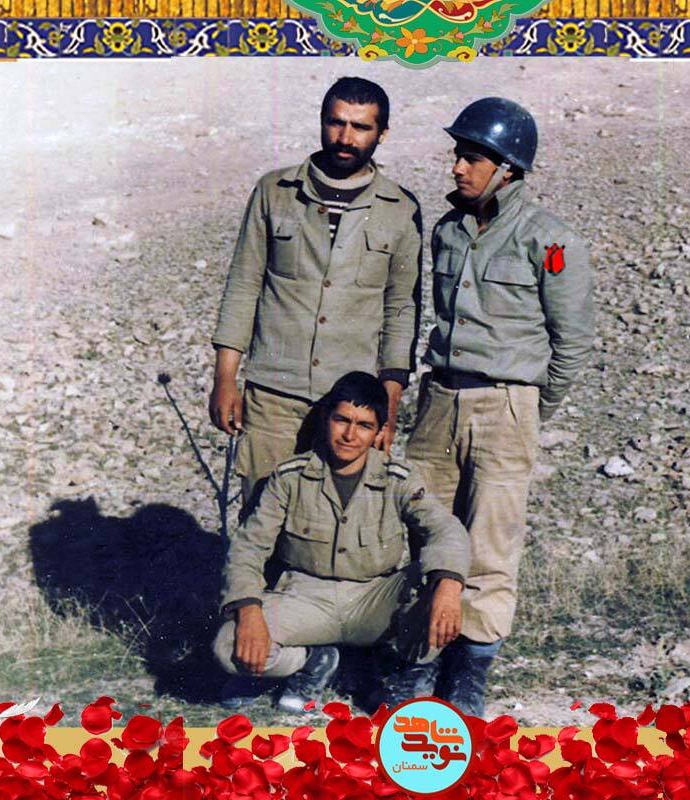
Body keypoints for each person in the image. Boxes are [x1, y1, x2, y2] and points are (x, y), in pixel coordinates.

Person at [399, 97, 595, 716]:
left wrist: (529, 410)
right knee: (421, 527)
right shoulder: (447, 230)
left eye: (473, 158)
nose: (457, 167)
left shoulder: (549, 238)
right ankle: (417, 659)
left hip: (506, 403)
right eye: (457, 154)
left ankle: (469, 674)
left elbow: (572, 344)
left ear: (507, 168)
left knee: (490, 543)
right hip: (439, 398)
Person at [209, 77, 423, 512]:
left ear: (382, 133)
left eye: (361, 127)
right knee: (262, 517)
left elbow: (401, 310)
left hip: (350, 408)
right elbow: (244, 284)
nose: (346, 137)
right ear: (322, 121)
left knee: (336, 524)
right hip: (273, 396)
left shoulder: (401, 209)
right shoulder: (274, 192)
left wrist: (388, 405)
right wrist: (225, 378)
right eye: (336, 123)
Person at [212, 371, 469, 712]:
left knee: (438, 588)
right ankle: (311, 660)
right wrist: (249, 611)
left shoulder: (397, 478)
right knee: (227, 646)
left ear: (379, 431)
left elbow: (446, 530)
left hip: (373, 599)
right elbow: (249, 546)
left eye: (364, 425)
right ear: (325, 419)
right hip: (305, 598)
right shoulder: (289, 477)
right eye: (342, 420)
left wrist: (448, 587)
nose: (350, 435)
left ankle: (404, 674)